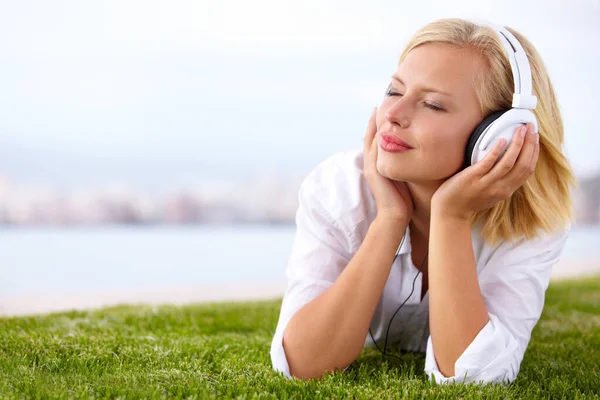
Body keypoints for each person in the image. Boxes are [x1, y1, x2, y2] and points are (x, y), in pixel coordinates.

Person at [270, 18, 575, 385]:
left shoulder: (534, 220)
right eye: (394, 91)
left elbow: (472, 378)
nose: (393, 116)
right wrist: (388, 219)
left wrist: (452, 217)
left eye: (432, 105)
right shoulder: (336, 189)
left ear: (499, 135)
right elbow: (302, 364)